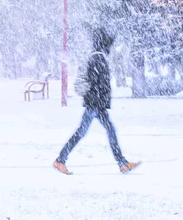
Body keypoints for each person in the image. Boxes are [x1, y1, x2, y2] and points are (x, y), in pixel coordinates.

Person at [53, 28, 141, 175]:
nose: (111, 49)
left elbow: (98, 84)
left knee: (105, 131)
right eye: (109, 46)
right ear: (104, 45)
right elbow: (98, 84)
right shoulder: (98, 59)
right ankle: (60, 160)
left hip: (96, 104)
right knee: (86, 132)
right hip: (95, 104)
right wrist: (100, 100)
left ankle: (122, 163)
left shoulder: (96, 58)